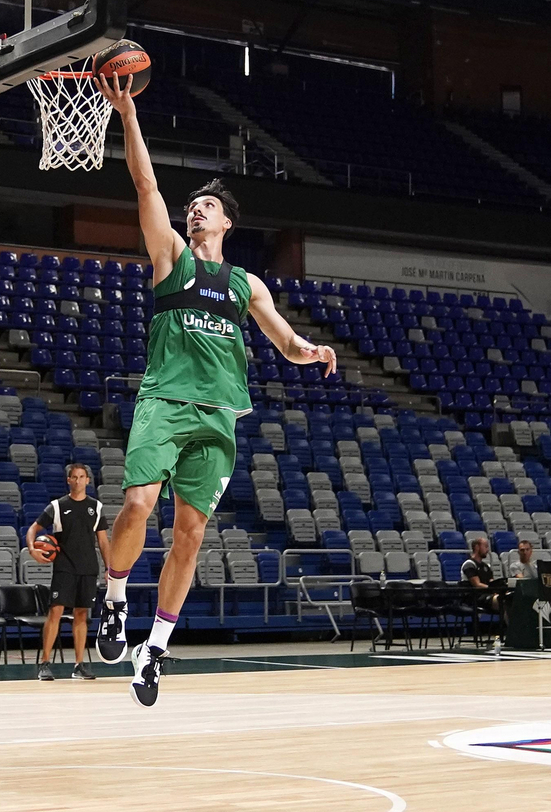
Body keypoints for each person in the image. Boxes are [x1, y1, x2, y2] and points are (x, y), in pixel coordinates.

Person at [94, 73, 337, 707]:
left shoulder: (246, 283)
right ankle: (114, 594)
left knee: (191, 535)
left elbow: (284, 343)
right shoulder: (171, 256)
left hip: (219, 418)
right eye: (193, 203)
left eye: (208, 205)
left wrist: (310, 352)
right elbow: (145, 183)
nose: (195, 207)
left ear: (227, 222)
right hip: (165, 404)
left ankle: (154, 651)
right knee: (139, 506)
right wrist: (127, 113)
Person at [26, 463, 110, 681]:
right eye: (74, 477)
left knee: (82, 615)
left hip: (88, 567)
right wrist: (32, 549)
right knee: (55, 612)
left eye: (82, 477)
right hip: (64, 567)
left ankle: (79, 665)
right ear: (69, 480)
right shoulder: (57, 506)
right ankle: (44, 663)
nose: (79, 480)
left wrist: (110, 568)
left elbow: (103, 540)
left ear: (88, 481)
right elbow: (33, 529)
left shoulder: (97, 507)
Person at [460, 537, 506, 653]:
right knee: (500, 600)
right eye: (485, 546)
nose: (488, 549)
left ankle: (508, 633)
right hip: (474, 597)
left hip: (486, 596)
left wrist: (497, 588)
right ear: (477, 547)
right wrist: (492, 589)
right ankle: (504, 633)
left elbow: (491, 582)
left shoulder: (486, 566)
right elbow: (477, 584)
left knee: (507, 598)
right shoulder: (469, 564)